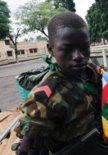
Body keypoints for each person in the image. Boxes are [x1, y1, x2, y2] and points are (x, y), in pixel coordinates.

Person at [13, 12, 103, 154]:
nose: (78, 56)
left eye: (84, 47)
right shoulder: (45, 98)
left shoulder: (89, 70)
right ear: (51, 49)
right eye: (67, 49)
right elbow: (26, 148)